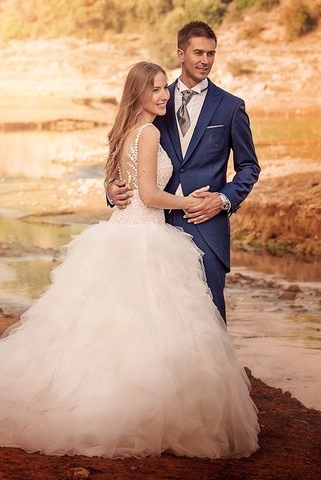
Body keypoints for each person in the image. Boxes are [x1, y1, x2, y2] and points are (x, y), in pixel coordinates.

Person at [0, 61, 260, 459]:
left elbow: (133, 179)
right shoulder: (146, 133)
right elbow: (147, 193)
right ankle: (128, 404)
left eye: (164, 89)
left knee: (114, 326)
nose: (164, 95)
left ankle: (122, 395)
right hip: (144, 234)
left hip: (129, 232)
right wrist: (189, 202)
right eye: (157, 89)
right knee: (140, 324)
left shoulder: (136, 129)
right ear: (139, 93)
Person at [107, 21, 261, 322]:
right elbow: (128, 152)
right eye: (198, 53)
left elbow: (249, 167)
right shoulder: (156, 100)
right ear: (181, 54)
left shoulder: (230, 107)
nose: (205, 61)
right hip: (154, 229)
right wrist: (113, 189)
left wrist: (223, 200)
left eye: (211, 54)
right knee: (154, 320)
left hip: (207, 227)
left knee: (209, 319)